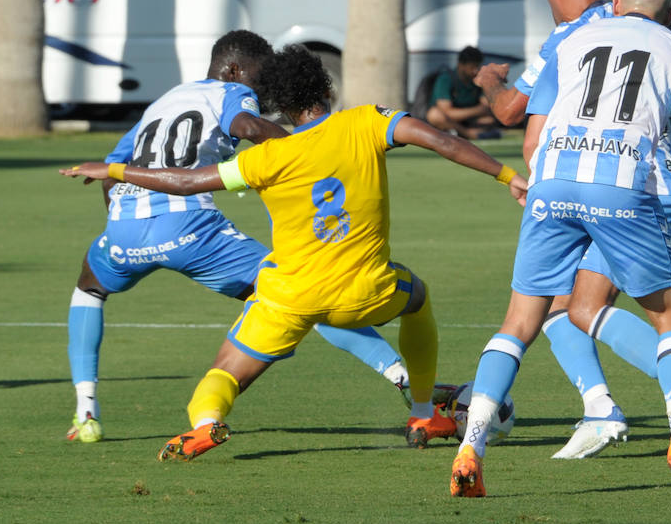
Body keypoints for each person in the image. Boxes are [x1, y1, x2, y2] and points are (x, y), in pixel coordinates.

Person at [61, 46, 528, 460]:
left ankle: (205, 424)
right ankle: (423, 414)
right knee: (418, 297)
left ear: (278, 107)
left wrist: (117, 170)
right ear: (326, 87)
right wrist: (507, 177)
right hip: (366, 294)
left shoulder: (263, 159)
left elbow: (185, 181)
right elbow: (442, 140)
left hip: (288, 300)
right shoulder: (367, 120)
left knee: (224, 373)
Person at [450, 0, 671, 497]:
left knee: (519, 322)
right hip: (623, 187)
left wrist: (535, 185)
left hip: (553, 182)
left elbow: (531, 131)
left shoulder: (569, 43)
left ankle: (472, 445)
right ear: (670, 13)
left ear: (616, 2)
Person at [425, 46, 501, 139]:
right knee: (434, 115)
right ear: (461, 65)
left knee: (488, 120)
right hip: (449, 120)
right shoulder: (446, 79)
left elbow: (486, 106)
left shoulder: (478, 79)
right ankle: (467, 134)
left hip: (468, 120)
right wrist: (478, 110)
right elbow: (448, 112)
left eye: (478, 67)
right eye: (472, 67)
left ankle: (457, 132)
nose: (475, 71)